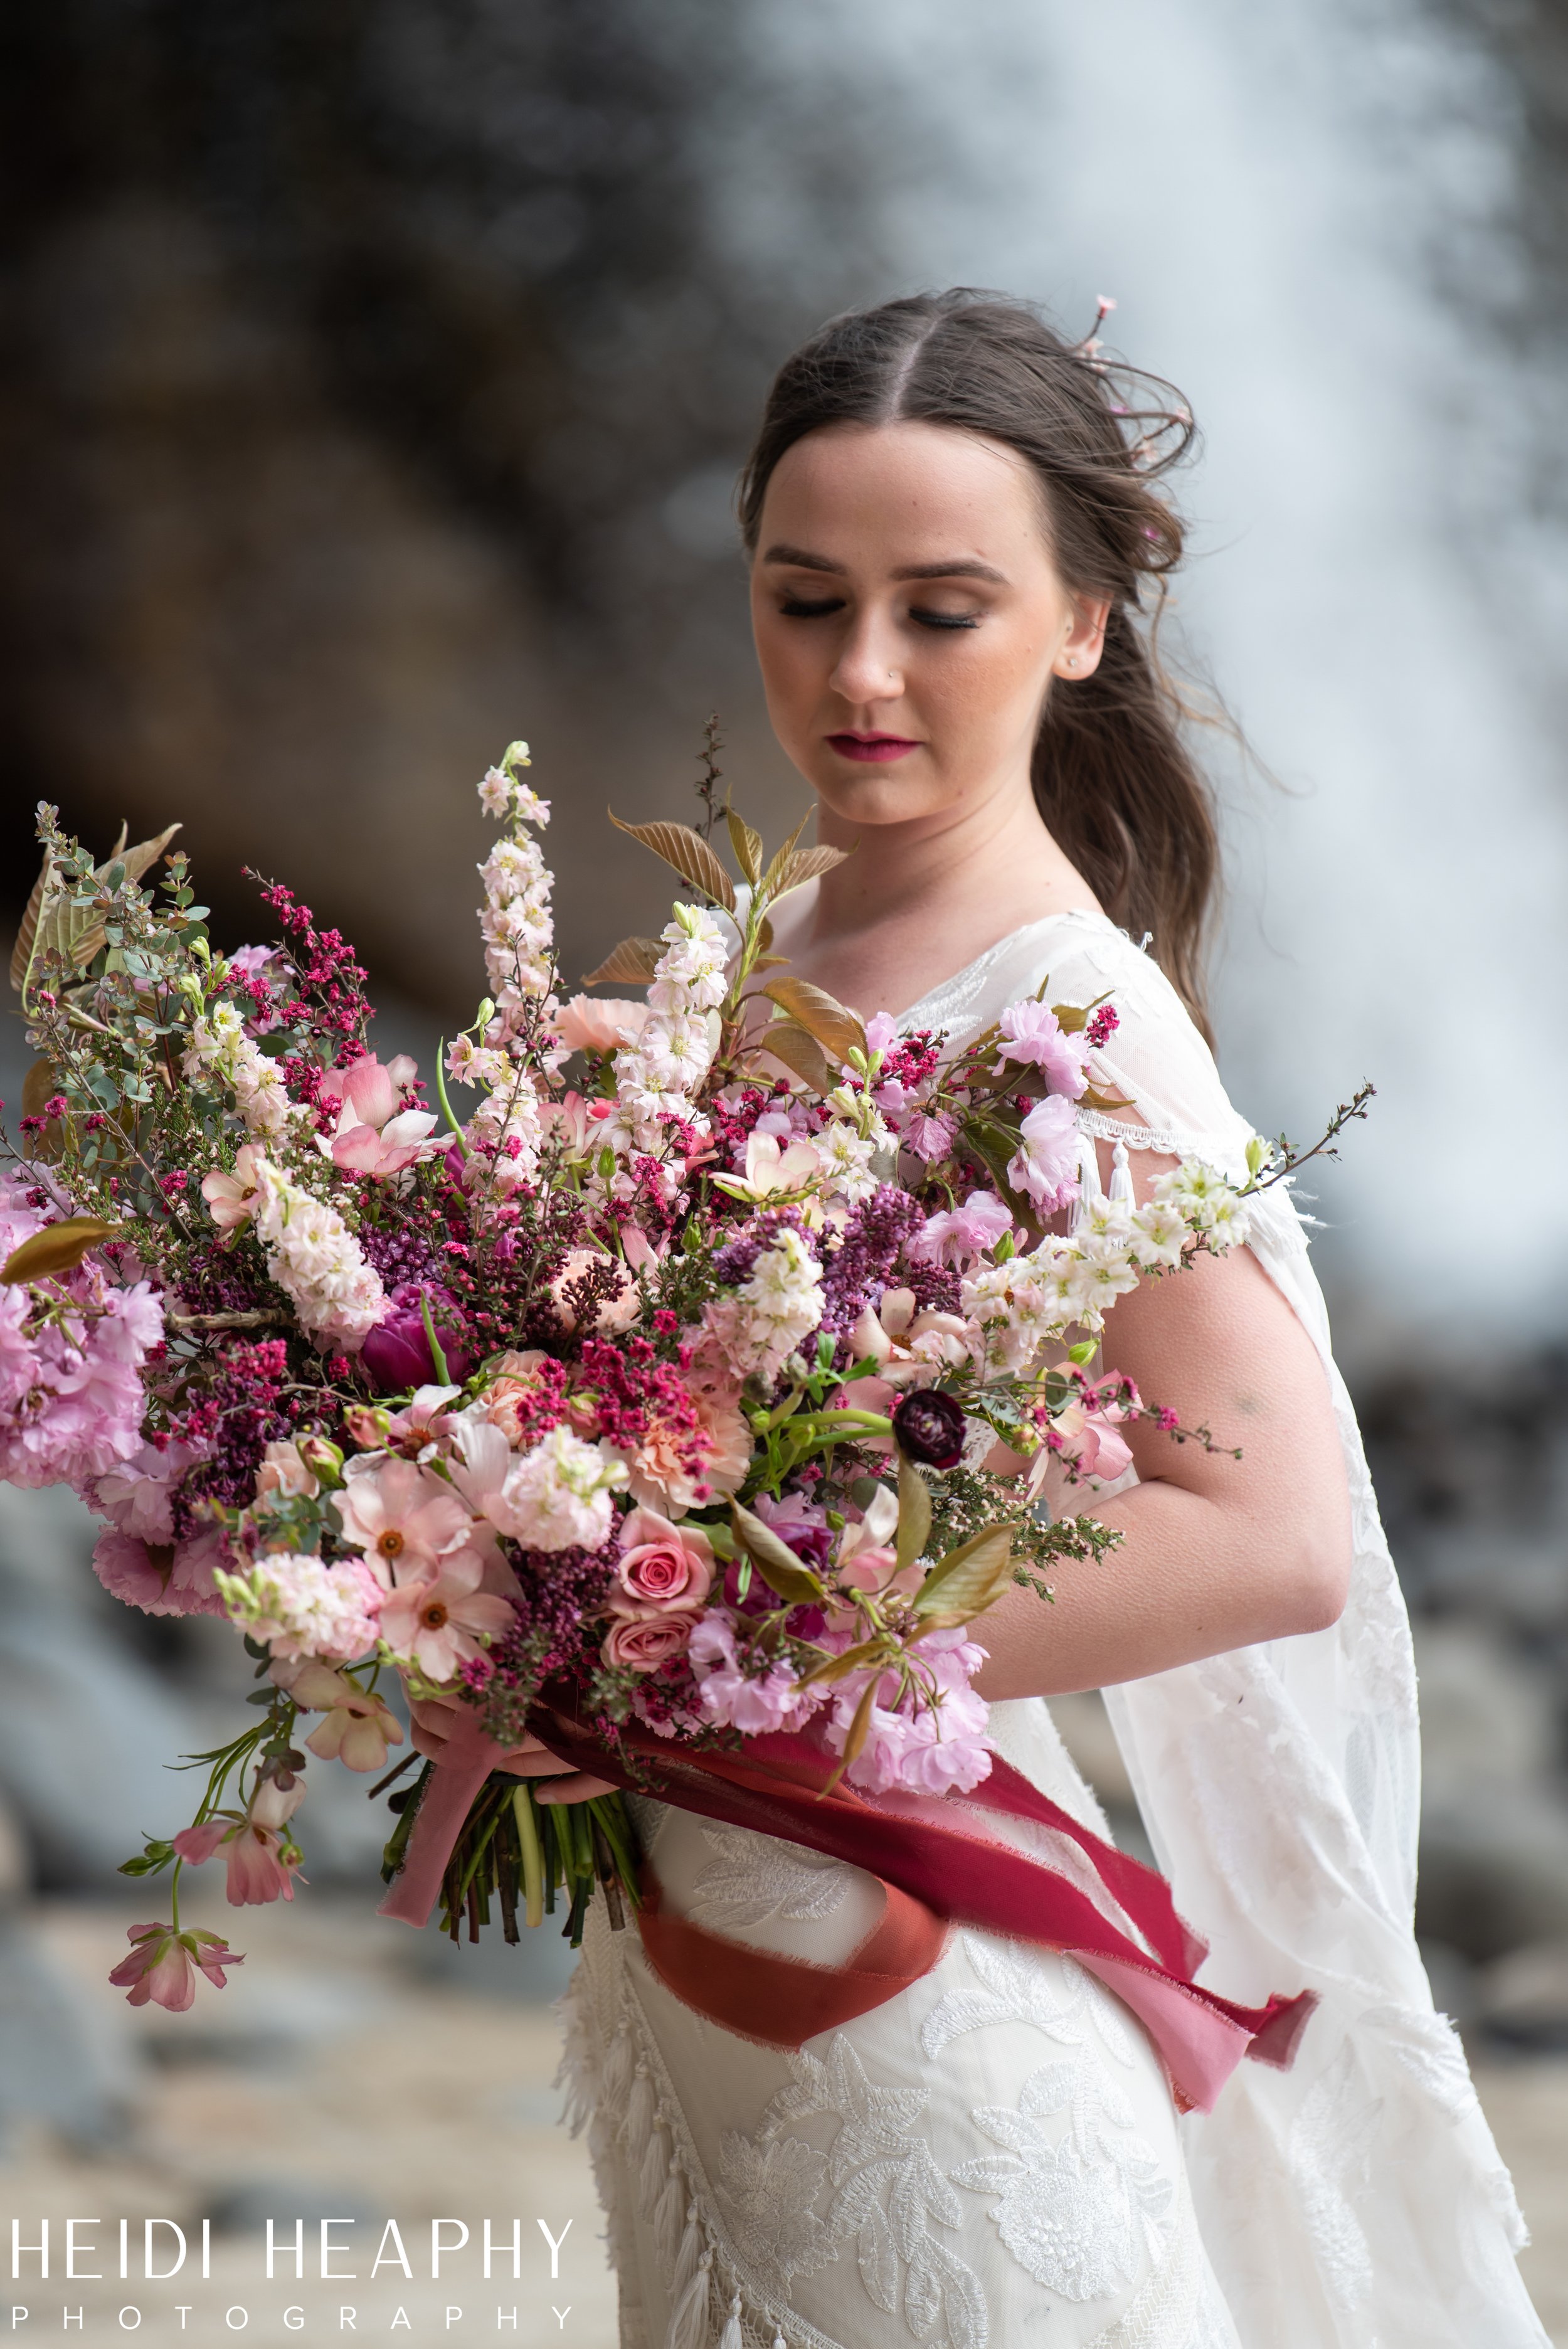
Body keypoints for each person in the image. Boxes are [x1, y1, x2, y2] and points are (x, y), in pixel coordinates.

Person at [413, 292, 1546, 2347]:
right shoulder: (751, 945)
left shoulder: (1073, 1026)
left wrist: (699, 1651)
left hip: (931, 2029)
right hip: (702, 1969)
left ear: (1083, 623)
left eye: (941, 610)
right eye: (805, 596)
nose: (857, 674)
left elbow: (1272, 1535)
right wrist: (470, 1599)